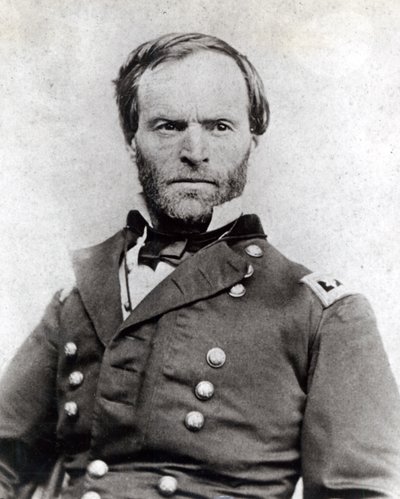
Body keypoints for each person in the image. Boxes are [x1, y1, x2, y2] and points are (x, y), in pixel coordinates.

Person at [0, 32, 399, 499]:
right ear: (132, 141)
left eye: (220, 126)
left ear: (253, 141)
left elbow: (358, 491)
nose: (194, 150)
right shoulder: (80, 296)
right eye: (168, 126)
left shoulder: (322, 314)